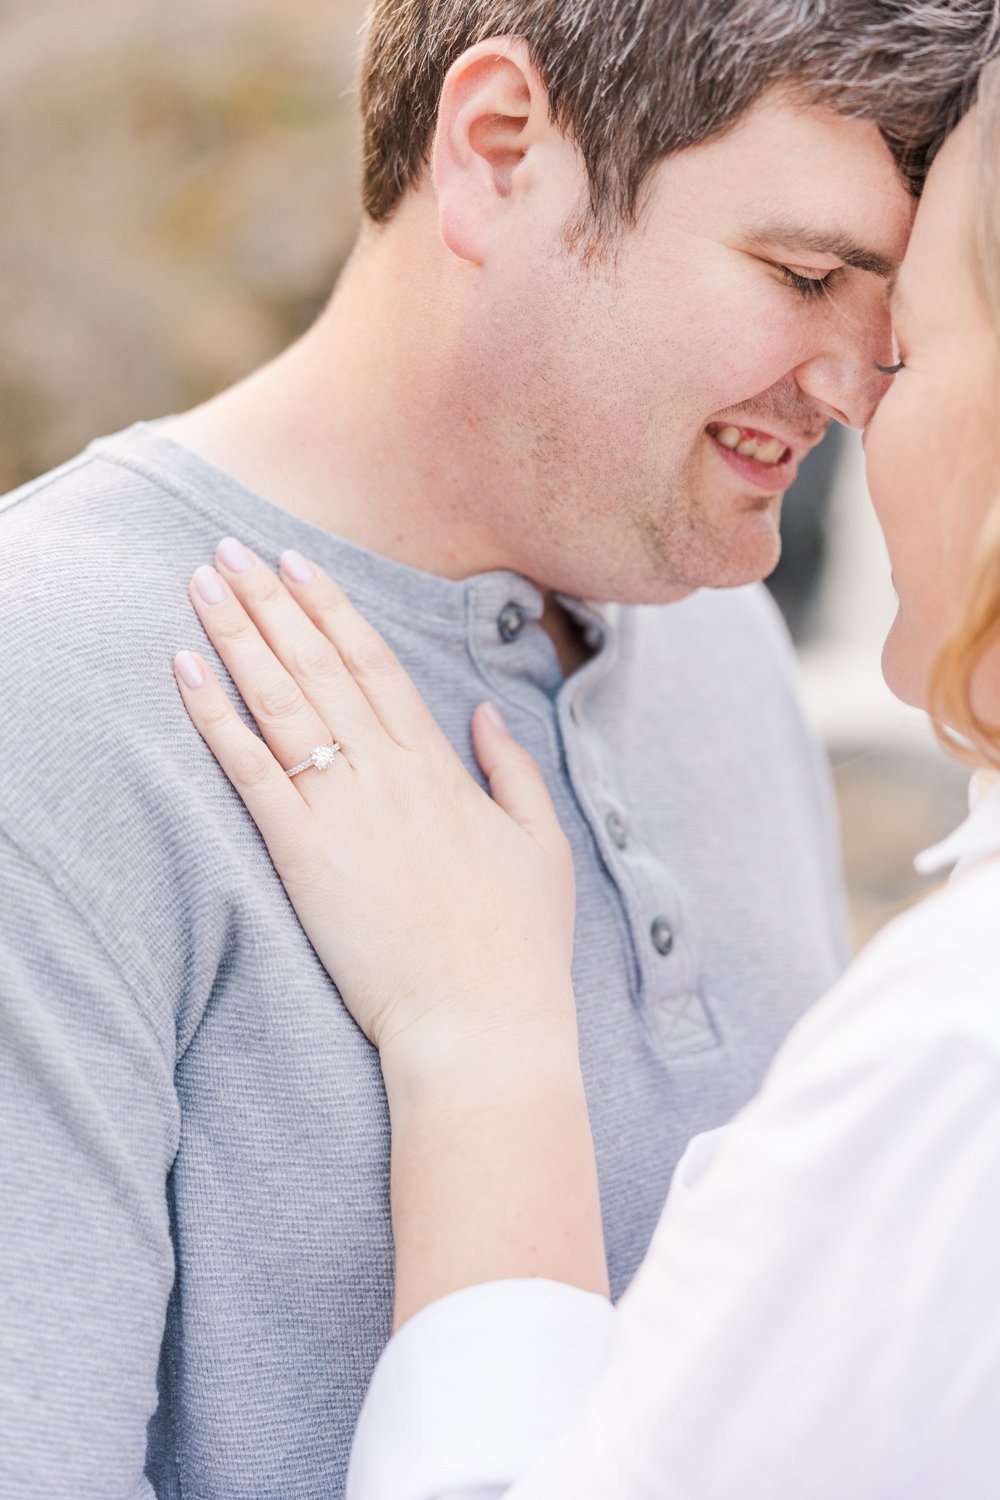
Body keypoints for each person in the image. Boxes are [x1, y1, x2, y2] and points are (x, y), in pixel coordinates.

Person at [0, 4, 994, 1496]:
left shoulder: (713, 634)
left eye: (897, 303)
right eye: (802, 276)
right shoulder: (49, 692)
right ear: (497, 151)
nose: (864, 385)